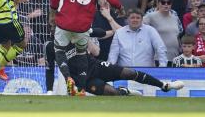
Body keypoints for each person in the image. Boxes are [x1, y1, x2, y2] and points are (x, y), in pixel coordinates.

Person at [50, 0, 123, 95]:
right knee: (81, 53)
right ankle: (82, 88)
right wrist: (119, 7)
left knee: (59, 50)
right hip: (83, 26)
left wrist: (53, 12)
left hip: (65, 21)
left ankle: (68, 78)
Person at [44, 29, 184, 95]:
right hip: (84, 80)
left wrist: (112, 30)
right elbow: (50, 69)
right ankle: (124, 91)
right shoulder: (50, 47)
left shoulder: (75, 32)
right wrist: (49, 91)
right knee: (113, 93)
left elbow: (99, 33)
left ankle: (164, 85)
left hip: (95, 66)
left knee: (128, 72)